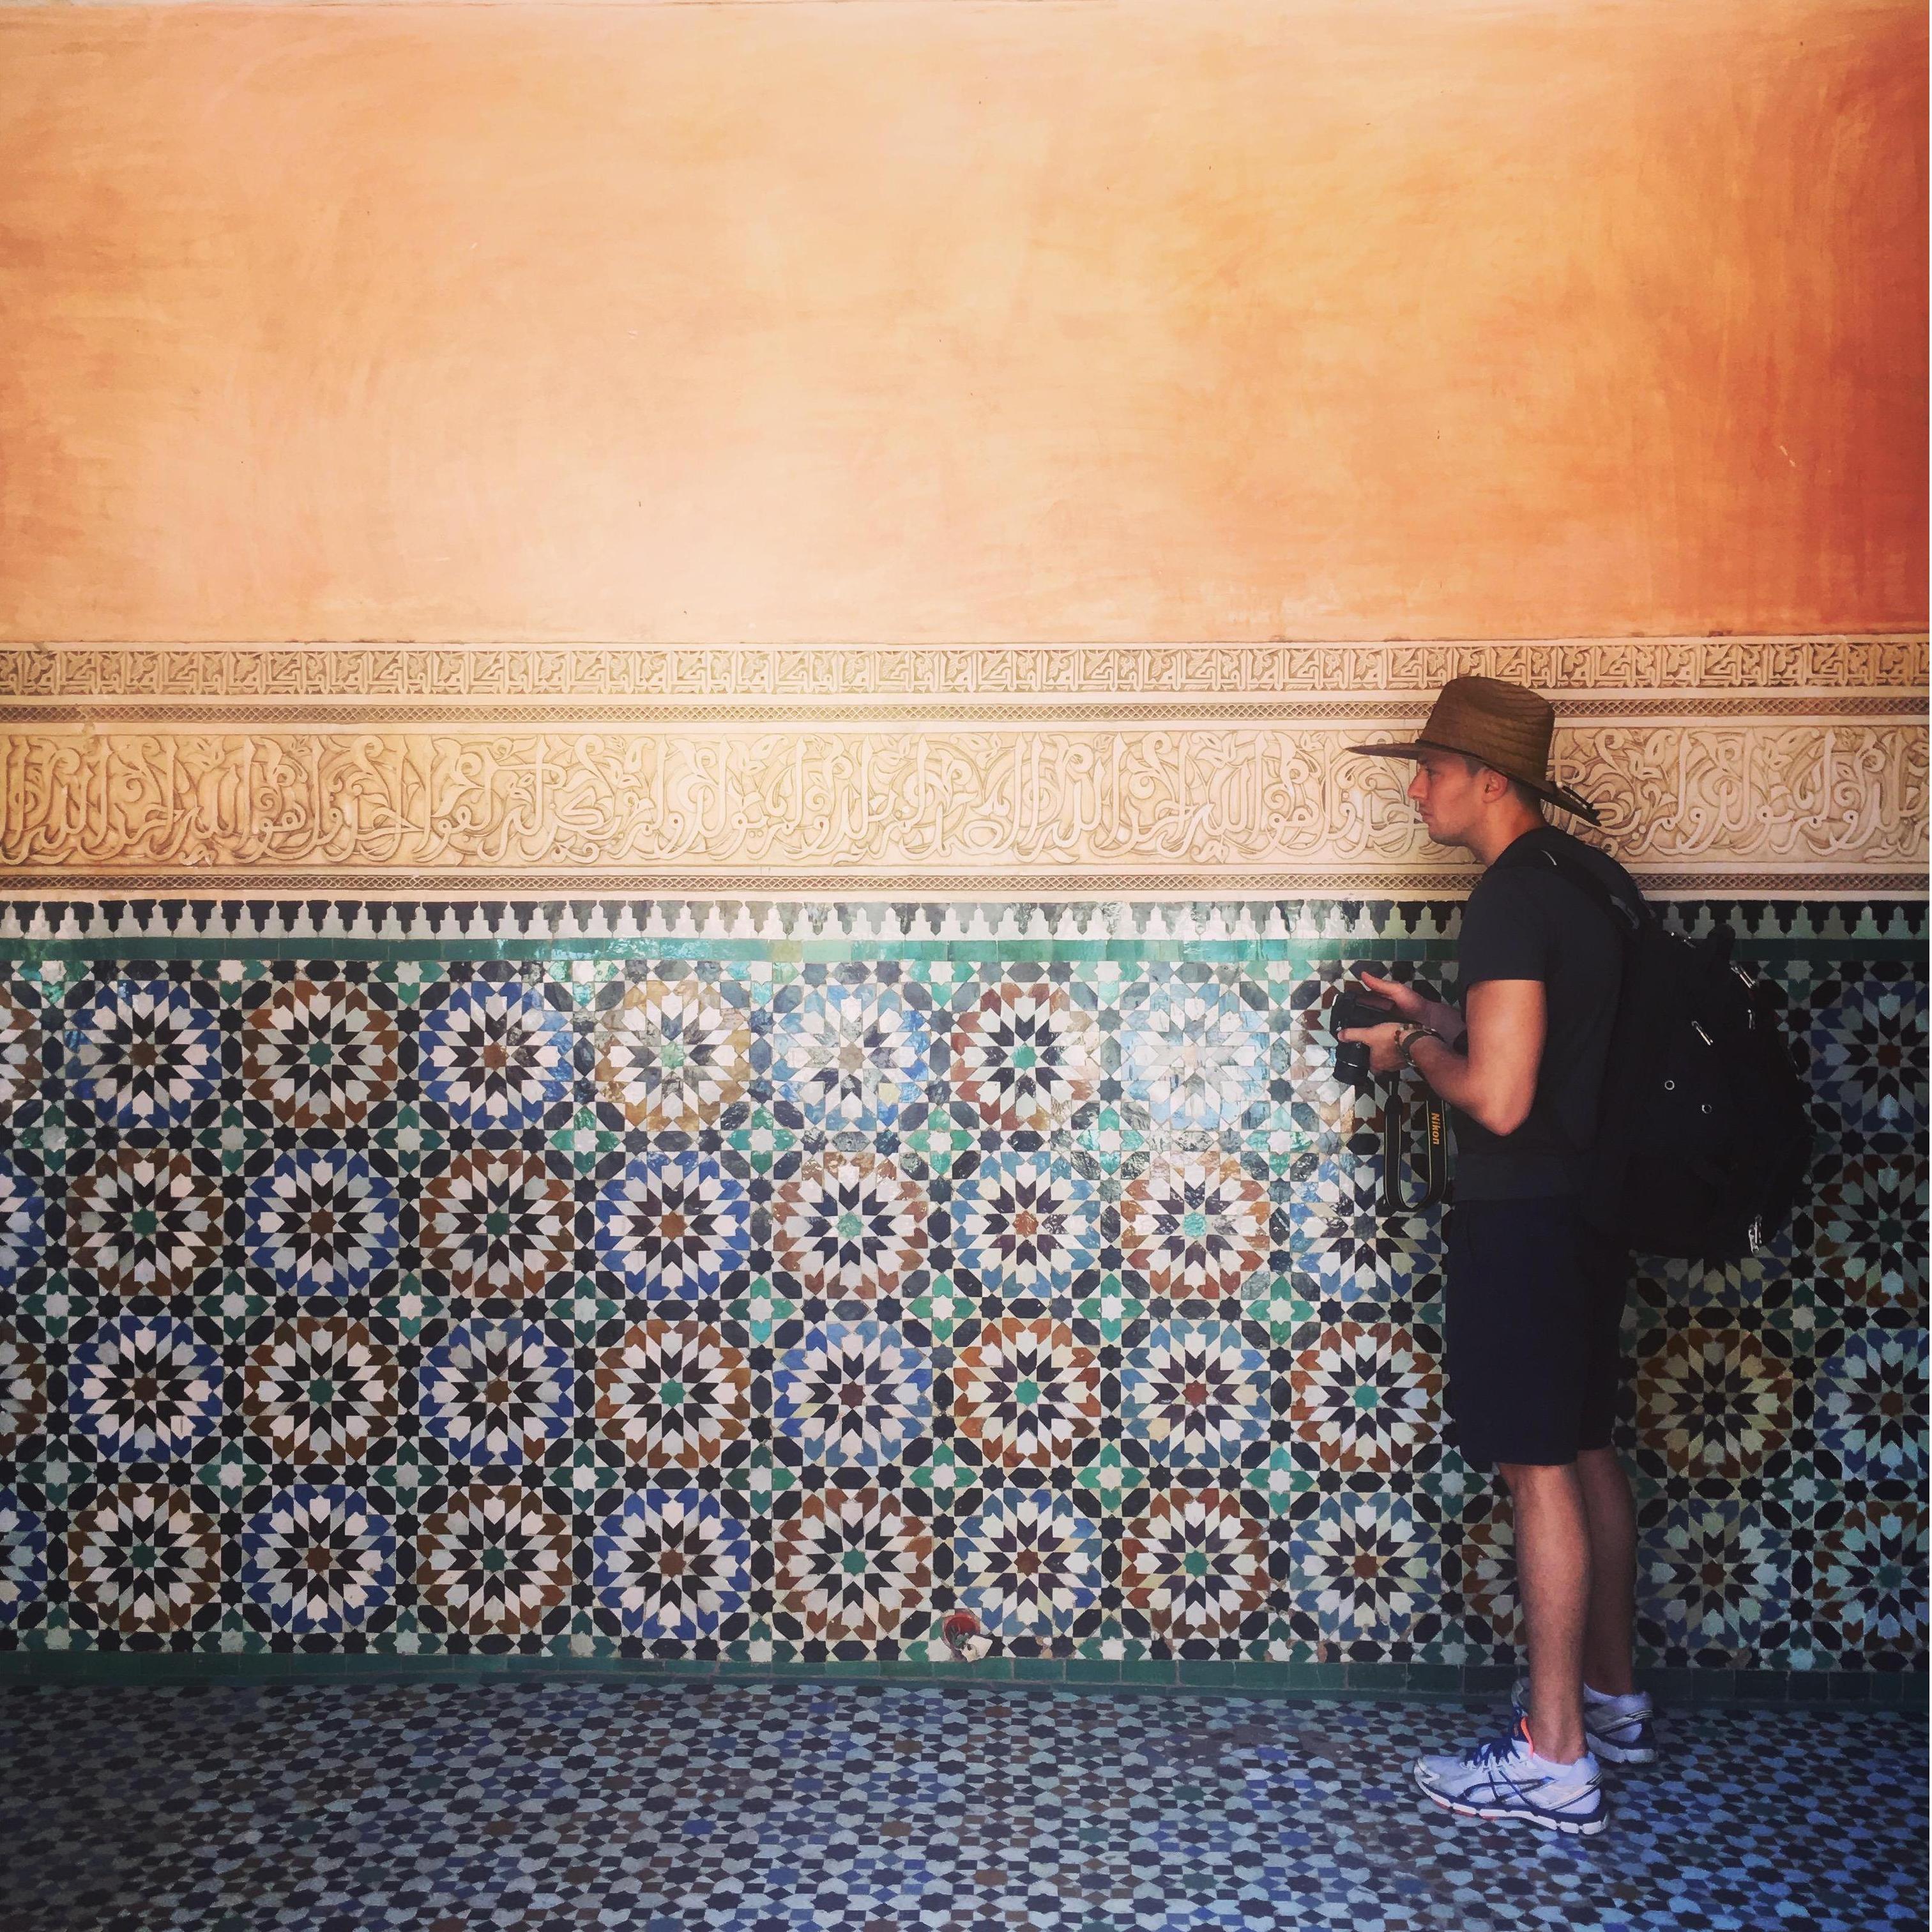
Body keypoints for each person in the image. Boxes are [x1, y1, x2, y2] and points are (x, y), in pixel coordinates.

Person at [1339, 674, 1657, 1839]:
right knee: (1583, 1443)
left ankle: (1552, 1756)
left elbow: (1504, 1100)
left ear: (1488, 779)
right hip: (1592, 1207)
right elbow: (1554, 1050)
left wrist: (1411, 1056)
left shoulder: (1509, 898)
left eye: (1430, 769)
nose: (1415, 789)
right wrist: (1437, 1013)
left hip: (1523, 1211)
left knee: (1535, 1466)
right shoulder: (1589, 882)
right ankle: (1610, 1699)